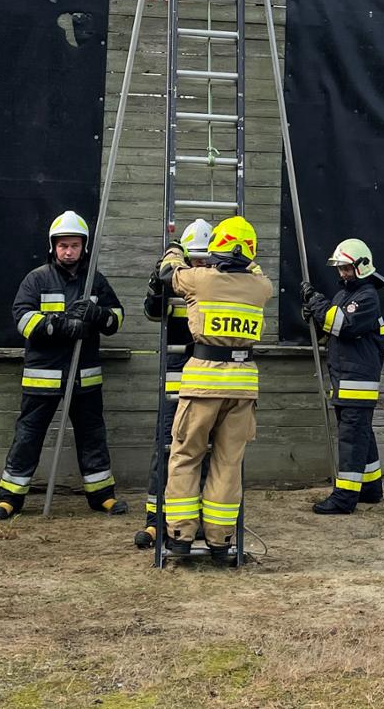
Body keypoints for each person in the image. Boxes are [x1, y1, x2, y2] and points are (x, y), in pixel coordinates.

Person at [0, 211, 127, 521]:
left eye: (74, 246)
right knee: (28, 436)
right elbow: (23, 320)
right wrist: (61, 326)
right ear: (53, 247)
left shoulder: (96, 280)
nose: (68, 251)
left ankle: (102, 496)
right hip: (43, 378)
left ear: (84, 247)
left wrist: (97, 314)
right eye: (63, 245)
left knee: (92, 436)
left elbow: (116, 318)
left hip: (85, 377)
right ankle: (10, 497)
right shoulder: (36, 279)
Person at [155, 215, 273, 560]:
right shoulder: (261, 287)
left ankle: (179, 534)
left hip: (203, 382)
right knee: (228, 462)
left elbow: (167, 273)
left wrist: (175, 249)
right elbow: (253, 270)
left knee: (186, 455)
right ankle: (221, 540)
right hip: (242, 387)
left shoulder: (200, 280)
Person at [135, 219, 214, 550]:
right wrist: (157, 286)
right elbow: (154, 312)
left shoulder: (216, 283)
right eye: (194, 259)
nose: (199, 265)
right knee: (167, 448)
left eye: (204, 260)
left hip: (209, 379)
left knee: (207, 451)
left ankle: (201, 519)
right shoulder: (175, 281)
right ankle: (157, 520)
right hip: (176, 380)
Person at [301, 238, 384, 514]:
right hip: (345, 379)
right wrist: (313, 314)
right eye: (340, 269)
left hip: (357, 382)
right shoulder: (346, 295)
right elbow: (330, 323)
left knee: (352, 439)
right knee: (362, 435)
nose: (342, 274)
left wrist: (316, 302)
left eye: (347, 268)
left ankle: (345, 498)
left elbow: (343, 324)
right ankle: (371, 488)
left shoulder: (366, 297)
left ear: (362, 266)